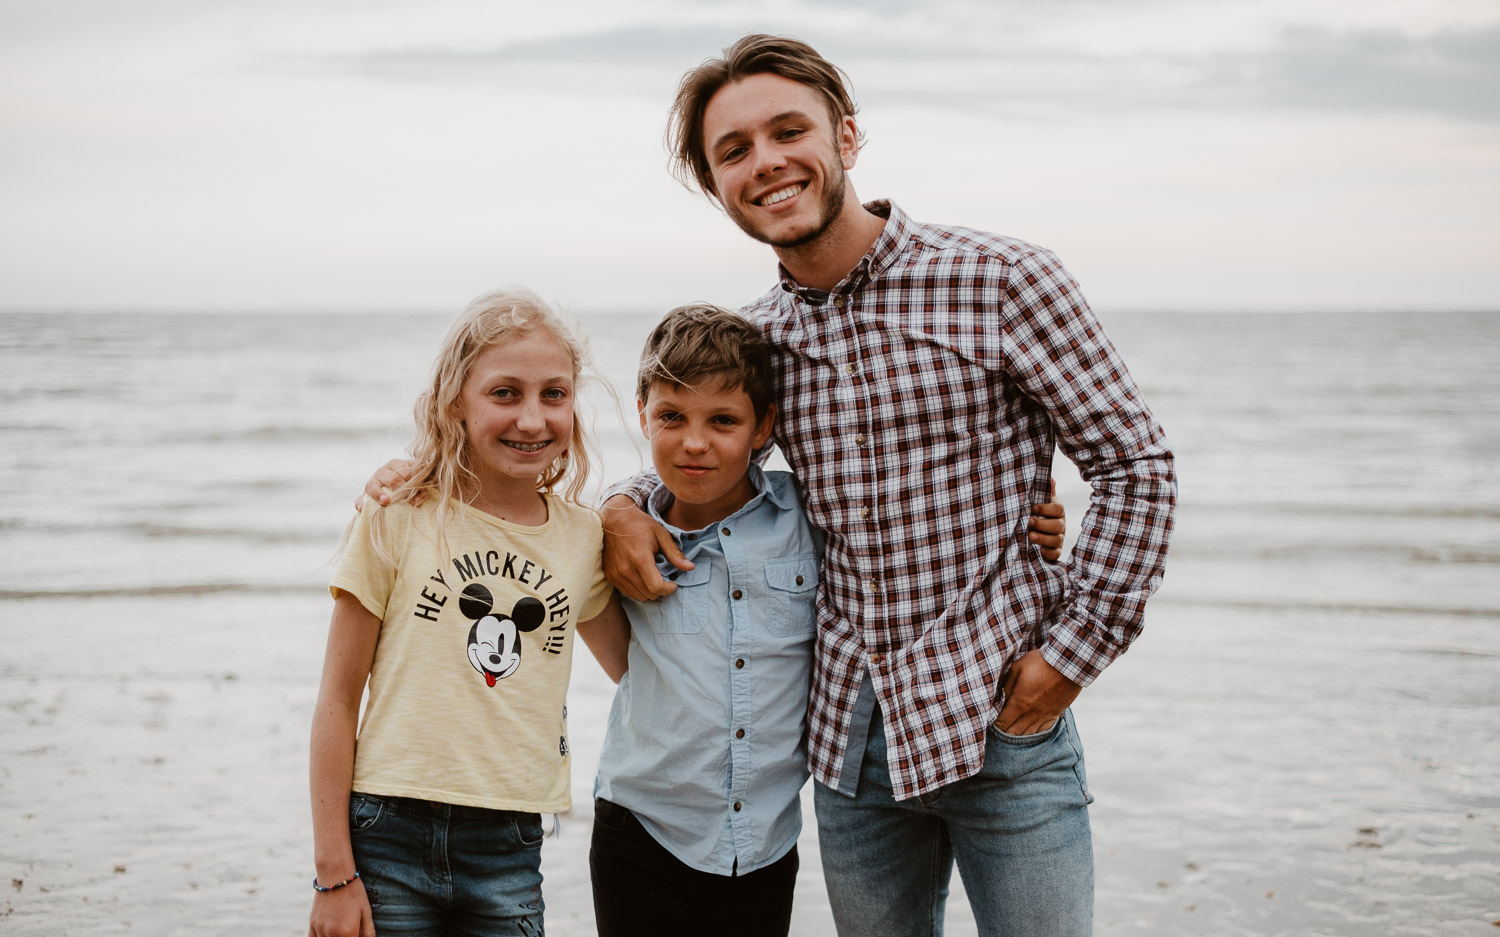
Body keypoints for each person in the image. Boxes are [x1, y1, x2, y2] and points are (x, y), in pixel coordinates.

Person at [598, 34, 1178, 937]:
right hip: (845, 748)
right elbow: (706, 458)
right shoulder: (760, 340)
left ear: (847, 136)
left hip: (1004, 724)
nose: (767, 163)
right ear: (717, 185)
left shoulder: (1001, 279)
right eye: (734, 151)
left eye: (789, 131)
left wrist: (1071, 657)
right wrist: (620, 505)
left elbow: (1135, 465)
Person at [308, 289, 629, 937]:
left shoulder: (581, 537)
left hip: (509, 841)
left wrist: (642, 511)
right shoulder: (398, 512)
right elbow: (337, 700)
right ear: (456, 399)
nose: (533, 419)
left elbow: (636, 669)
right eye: (505, 393)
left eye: (554, 394)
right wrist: (334, 874)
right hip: (386, 830)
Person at [588, 303, 816, 937]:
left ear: (763, 425)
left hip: (764, 839)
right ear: (642, 414)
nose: (694, 442)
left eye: (723, 420)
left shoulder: (808, 520)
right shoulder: (615, 538)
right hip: (641, 828)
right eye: (671, 417)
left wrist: (1036, 523)